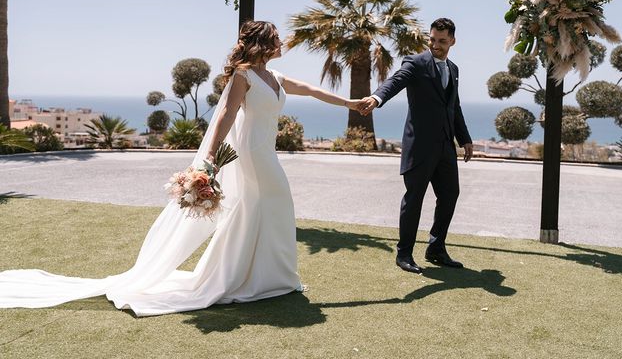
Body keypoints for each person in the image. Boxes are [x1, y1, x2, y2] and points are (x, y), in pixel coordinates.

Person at [0, 20, 361, 316]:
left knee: (267, 210)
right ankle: (245, 279)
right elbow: (224, 116)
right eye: (276, 37)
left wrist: (349, 102)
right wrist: (210, 159)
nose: (282, 41)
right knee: (266, 205)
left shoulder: (276, 77)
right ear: (262, 43)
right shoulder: (244, 75)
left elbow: (313, 90)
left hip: (267, 153)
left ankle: (272, 278)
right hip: (250, 155)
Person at [357, 18, 473, 274]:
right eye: (432, 39)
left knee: (450, 196)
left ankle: (436, 248)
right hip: (419, 147)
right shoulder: (416, 63)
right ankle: (404, 254)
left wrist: (464, 139)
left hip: (445, 148)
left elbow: (453, 107)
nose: (436, 45)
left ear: (452, 41)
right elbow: (396, 81)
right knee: (414, 200)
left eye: (442, 41)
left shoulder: (453, 69)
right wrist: (377, 98)